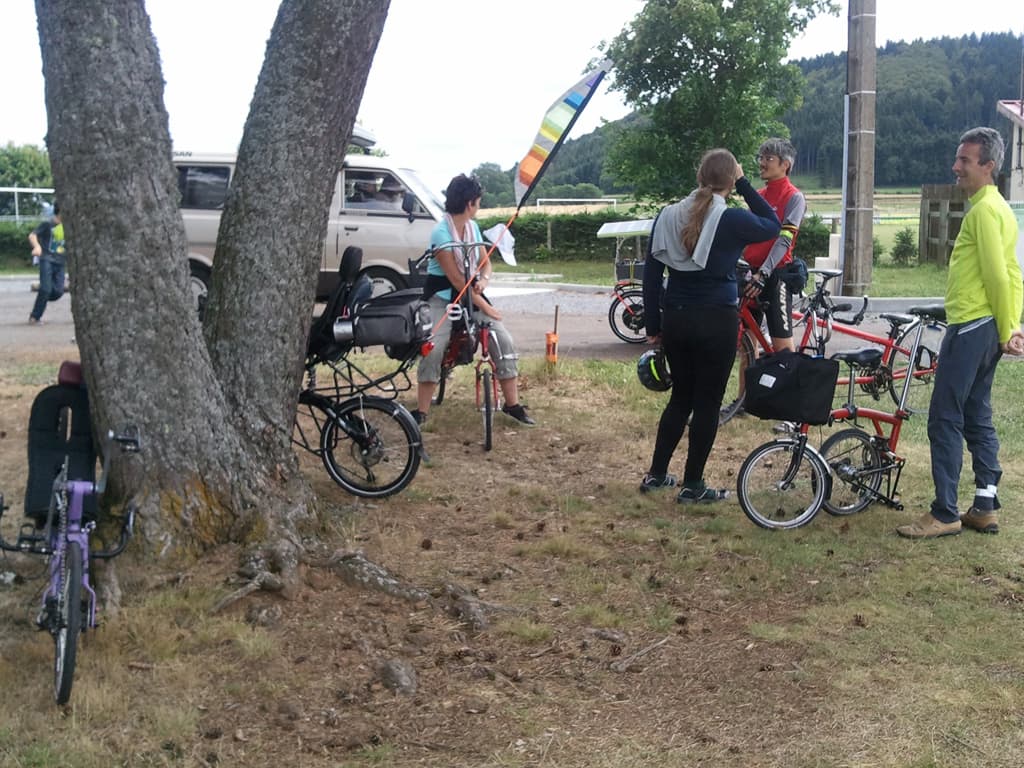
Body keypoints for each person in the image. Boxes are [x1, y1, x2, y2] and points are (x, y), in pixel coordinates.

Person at [896, 127, 1024, 539]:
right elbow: (1014, 274)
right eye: (957, 158)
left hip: (972, 326)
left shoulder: (985, 211)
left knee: (944, 418)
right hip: (986, 326)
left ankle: (945, 512)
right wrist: (1012, 326)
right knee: (976, 413)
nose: (956, 167)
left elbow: (998, 278)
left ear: (988, 166)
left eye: (965, 160)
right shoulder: (1000, 207)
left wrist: (1008, 330)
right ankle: (984, 506)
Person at [640, 149, 780, 502]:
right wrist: (745, 182)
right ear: (730, 181)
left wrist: (653, 324)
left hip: (676, 316)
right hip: (716, 317)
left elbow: (652, 276)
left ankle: (657, 474)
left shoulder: (667, 215)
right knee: (707, 404)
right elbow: (772, 224)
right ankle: (693, 485)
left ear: (699, 176)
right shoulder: (731, 218)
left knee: (679, 398)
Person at [412, 174, 535, 427]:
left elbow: (485, 263)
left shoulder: (472, 228)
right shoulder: (440, 233)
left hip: (473, 296)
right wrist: (488, 307)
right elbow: (458, 282)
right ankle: (421, 411)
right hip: (443, 298)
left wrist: (484, 281)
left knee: (503, 339)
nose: (479, 205)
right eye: (478, 201)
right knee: (433, 345)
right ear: (470, 203)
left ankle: (512, 405)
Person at [740, 138, 806, 354]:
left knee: (782, 348)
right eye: (761, 157)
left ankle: (787, 388)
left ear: (785, 165)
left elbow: (785, 239)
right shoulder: (758, 196)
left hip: (775, 275)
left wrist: (764, 273)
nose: (762, 163)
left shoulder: (794, 197)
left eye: (769, 158)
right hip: (752, 274)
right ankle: (746, 390)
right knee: (748, 347)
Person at [27, 203, 66, 325]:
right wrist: (37, 247)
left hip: (60, 262)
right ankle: (34, 317)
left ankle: (43, 293)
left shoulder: (68, 227)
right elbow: (32, 235)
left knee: (58, 292)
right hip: (47, 260)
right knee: (46, 289)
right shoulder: (47, 224)